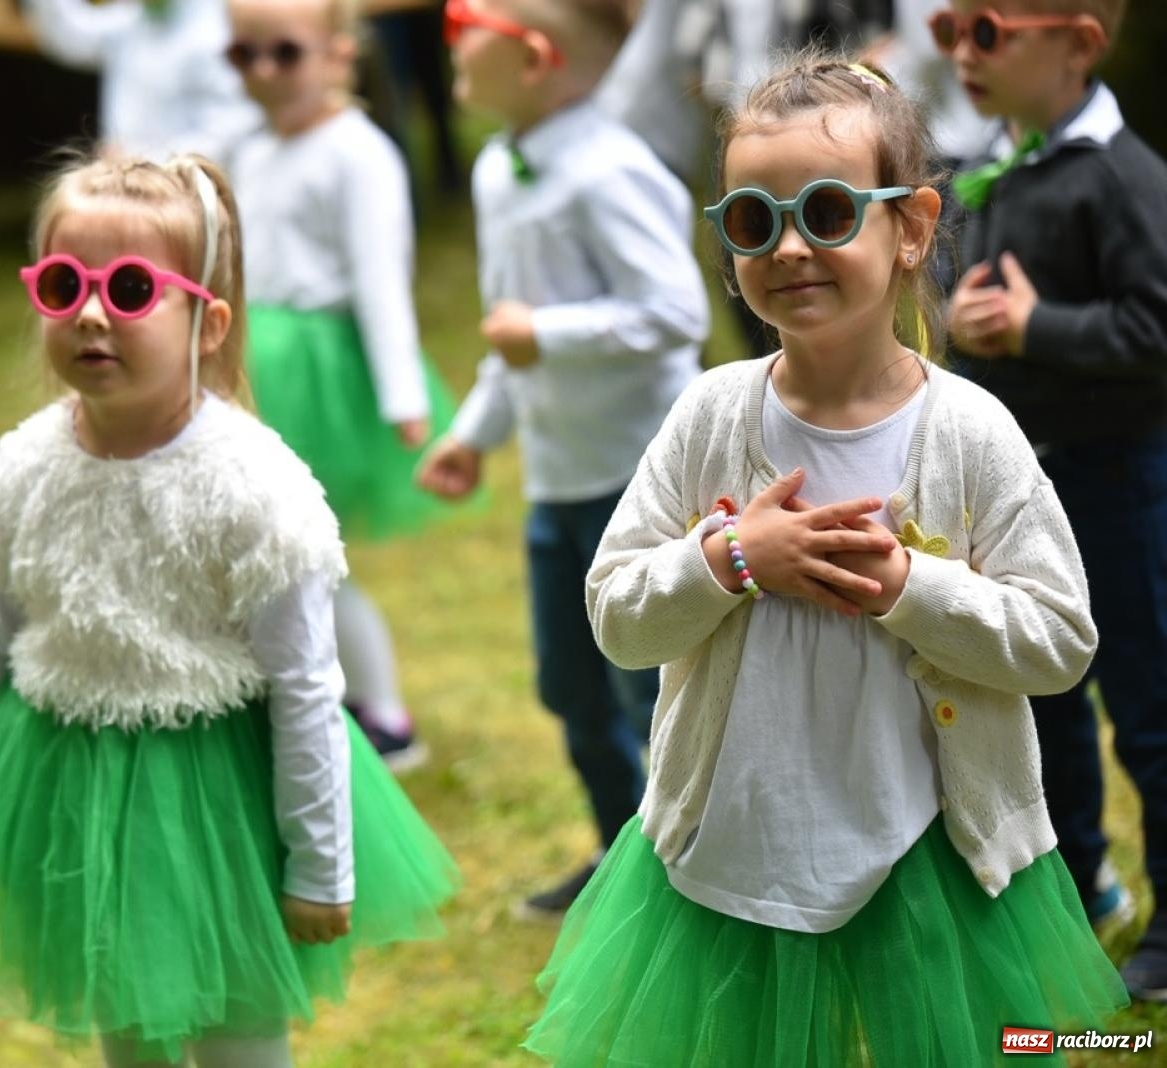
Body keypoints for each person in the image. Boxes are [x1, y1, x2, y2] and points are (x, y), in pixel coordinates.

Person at [524, 55, 1127, 1066]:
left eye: (830, 211)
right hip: (737, 853)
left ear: (913, 227)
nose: (791, 246)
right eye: (754, 221)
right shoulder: (711, 416)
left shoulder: (971, 433)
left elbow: (1058, 641)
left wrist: (909, 586)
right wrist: (727, 558)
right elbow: (618, 619)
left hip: (929, 855)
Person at [0, 151, 459, 1068]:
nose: (91, 311)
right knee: (123, 1018)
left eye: (131, 287)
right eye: (65, 284)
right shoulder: (24, 465)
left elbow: (304, 690)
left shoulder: (252, 486)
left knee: (235, 1028)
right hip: (72, 790)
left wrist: (318, 863)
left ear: (206, 321)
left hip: (217, 800)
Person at [421, 0, 708, 919]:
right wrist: (473, 431)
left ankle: (683, 870)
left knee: (643, 688)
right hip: (555, 477)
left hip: (634, 479)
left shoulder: (610, 171)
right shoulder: (498, 169)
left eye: (472, 19)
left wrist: (545, 331)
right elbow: (514, 331)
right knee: (568, 683)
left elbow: (676, 313)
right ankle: (620, 852)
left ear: (537, 58)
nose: (452, 34)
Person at [940, 0, 1167, 999]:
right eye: (946, 28)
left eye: (985, 31)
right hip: (1020, 490)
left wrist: (1038, 329)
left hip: (1121, 484)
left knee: (1150, 706)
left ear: (1077, 43)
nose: (957, 53)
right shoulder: (986, 169)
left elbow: (1153, 331)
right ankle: (1074, 886)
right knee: (1042, 698)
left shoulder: (1122, 180)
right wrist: (951, 322)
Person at [227, 0, 465, 769]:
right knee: (273, 552)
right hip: (258, 363)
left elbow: (380, 281)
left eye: (284, 53)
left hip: (323, 375)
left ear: (338, 55)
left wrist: (404, 398)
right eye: (244, 55)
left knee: (311, 556)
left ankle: (383, 711)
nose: (264, 73)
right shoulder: (248, 148)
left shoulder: (358, 154)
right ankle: (307, 692)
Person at [20, 0, 261, 160]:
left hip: (187, 202)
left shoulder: (217, 32)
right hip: (129, 187)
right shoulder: (137, 17)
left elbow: (235, 129)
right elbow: (71, 38)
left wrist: (144, 161)